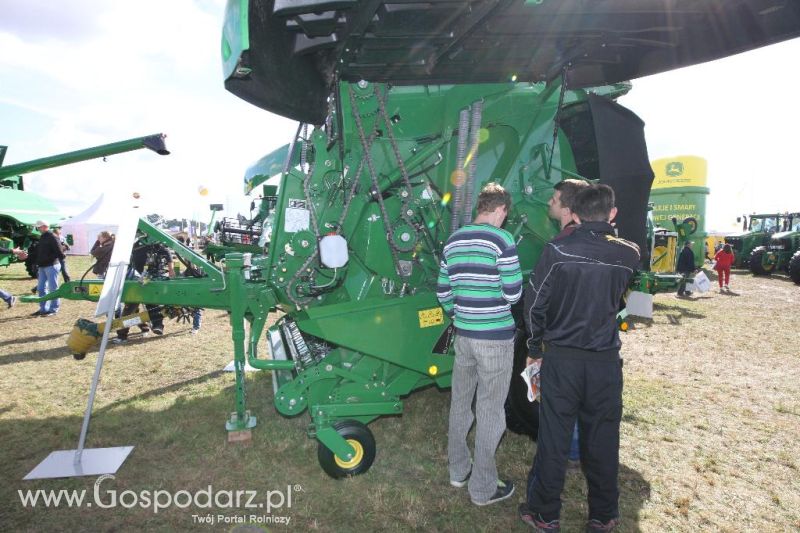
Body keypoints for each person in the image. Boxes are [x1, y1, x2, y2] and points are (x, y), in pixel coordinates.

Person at [519, 184, 640, 532]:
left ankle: (545, 514)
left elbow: (535, 304)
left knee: (555, 438)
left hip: (562, 360)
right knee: (603, 439)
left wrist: (533, 348)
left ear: (574, 213)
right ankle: (603, 515)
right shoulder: (629, 253)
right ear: (612, 214)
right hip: (604, 360)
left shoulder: (557, 249)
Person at [436, 182, 522, 506]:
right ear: (500, 209)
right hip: (495, 340)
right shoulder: (502, 240)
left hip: (464, 337)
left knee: (460, 402)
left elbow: (443, 292)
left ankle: (458, 472)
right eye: (505, 215)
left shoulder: (454, 240)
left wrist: (460, 312)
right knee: (490, 410)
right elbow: (513, 293)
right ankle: (483, 489)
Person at [114, 239, 174, 343]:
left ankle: (157, 326)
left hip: (154, 278)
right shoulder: (137, 245)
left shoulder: (157, 245)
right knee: (131, 307)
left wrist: (171, 270)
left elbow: (168, 256)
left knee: (152, 304)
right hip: (138, 278)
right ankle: (123, 334)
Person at [32, 220, 65, 317]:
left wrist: (49, 260)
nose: (37, 229)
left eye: (38, 227)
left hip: (51, 266)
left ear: (44, 226)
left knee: (53, 289)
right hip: (42, 266)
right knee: (41, 288)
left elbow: (60, 252)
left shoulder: (52, 236)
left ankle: (53, 309)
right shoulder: (43, 236)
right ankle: (43, 309)